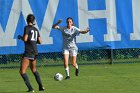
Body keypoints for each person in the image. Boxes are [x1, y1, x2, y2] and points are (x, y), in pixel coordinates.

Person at [18, 14, 45, 92]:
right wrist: (33, 41)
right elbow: (40, 41)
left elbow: (25, 39)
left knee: (22, 71)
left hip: (28, 51)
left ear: (27, 20)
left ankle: (30, 88)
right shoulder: (35, 29)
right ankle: (41, 87)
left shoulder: (26, 28)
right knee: (34, 70)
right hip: (35, 51)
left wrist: (20, 37)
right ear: (33, 21)